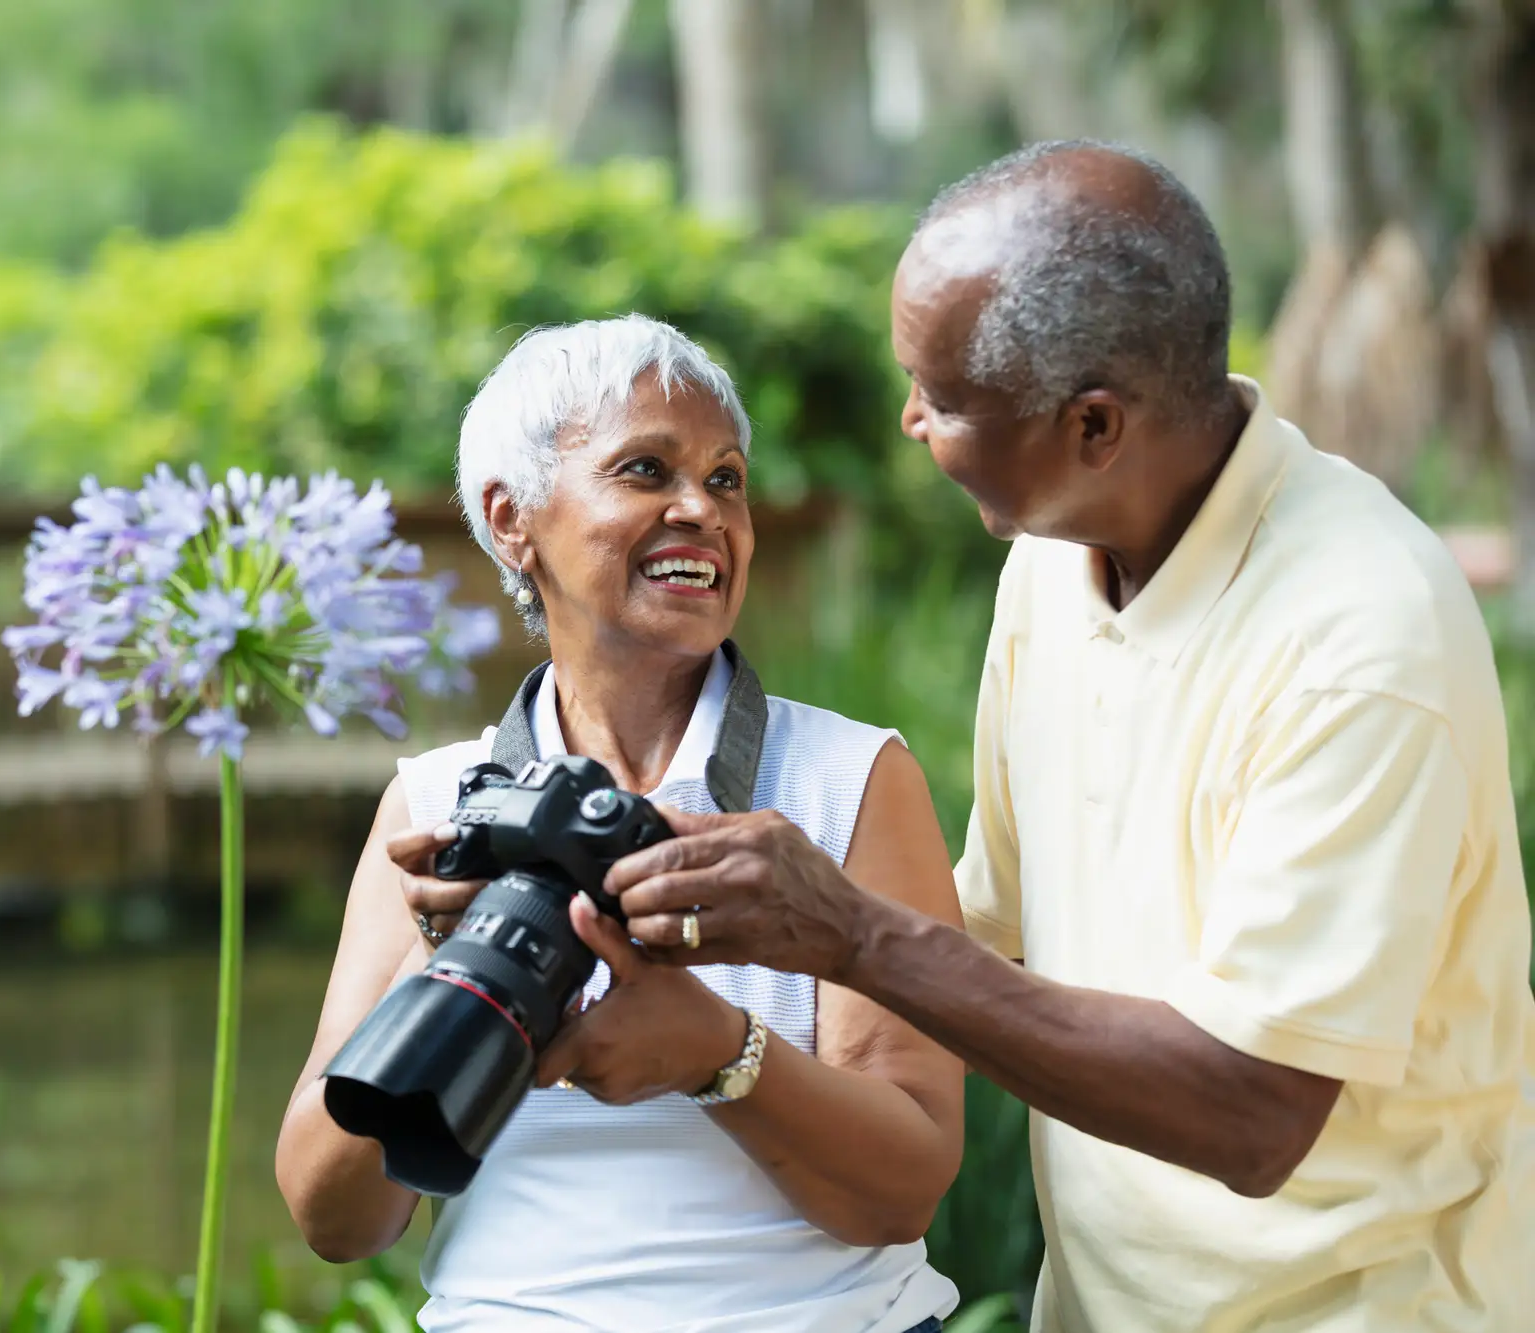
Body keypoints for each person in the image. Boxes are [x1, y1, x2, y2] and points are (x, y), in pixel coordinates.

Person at [603, 141, 1535, 1332]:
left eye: (939, 399)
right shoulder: (1052, 561)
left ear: (1092, 425)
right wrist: (631, 914)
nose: (907, 421)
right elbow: (990, 948)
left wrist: (843, 931)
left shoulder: (1361, 639)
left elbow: (1251, 1114)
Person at [275, 314, 966, 1332]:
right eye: (646, 470)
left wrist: (717, 1055)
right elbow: (334, 1217)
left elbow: (902, 1188)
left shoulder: (848, 777)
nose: (701, 509)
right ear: (513, 520)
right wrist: (445, 968)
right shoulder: (437, 804)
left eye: (724, 479)